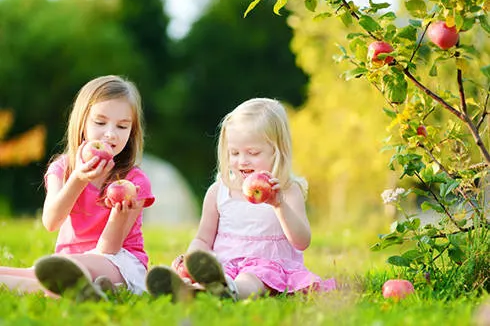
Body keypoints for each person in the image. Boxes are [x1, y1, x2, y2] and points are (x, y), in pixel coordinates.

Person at [146, 98, 336, 301]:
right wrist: (194, 260)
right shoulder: (218, 192)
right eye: (234, 153)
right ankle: (188, 287)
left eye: (253, 153)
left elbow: (302, 241)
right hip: (223, 266)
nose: (242, 160)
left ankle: (231, 291)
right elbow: (203, 238)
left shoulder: (287, 191)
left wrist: (279, 205)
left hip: (266, 269)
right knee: (213, 274)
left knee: (251, 278)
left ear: (277, 151)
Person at [0, 75, 155, 301]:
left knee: (61, 269)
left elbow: (109, 249)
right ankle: (88, 291)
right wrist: (78, 179)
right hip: (66, 265)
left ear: (132, 131)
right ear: (82, 123)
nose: (111, 133)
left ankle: (86, 288)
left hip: (118, 262)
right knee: (42, 273)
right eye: (100, 122)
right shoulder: (62, 169)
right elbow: (51, 222)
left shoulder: (134, 181)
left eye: (122, 126)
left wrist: (118, 216)